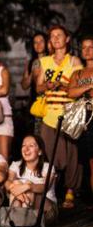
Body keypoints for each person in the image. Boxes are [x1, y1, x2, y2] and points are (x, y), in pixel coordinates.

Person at [33, 24, 82, 210]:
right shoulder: (44, 61)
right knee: (47, 154)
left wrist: (64, 85)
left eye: (59, 35)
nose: (55, 39)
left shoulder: (74, 61)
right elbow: (38, 87)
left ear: (67, 38)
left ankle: (70, 191)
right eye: (52, 36)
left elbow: (80, 87)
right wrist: (46, 86)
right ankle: (50, 190)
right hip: (49, 115)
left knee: (71, 154)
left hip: (68, 113)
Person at [4, 135, 57, 227]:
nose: (26, 149)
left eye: (31, 146)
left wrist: (28, 186)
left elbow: (44, 187)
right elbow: (8, 182)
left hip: (46, 211)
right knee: (15, 183)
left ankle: (20, 224)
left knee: (28, 188)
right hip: (24, 203)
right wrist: (17, 191)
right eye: (24, 145)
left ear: (40, 152)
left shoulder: (48, 167)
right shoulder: (16, 165)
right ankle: (19, 224)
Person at [67, 34, 93, 197]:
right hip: (86, 119)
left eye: (91, 47)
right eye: (84, 47)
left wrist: (81, 89)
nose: (87, 50)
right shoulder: (77, 73)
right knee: (90, 162)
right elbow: (71, 92)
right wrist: (88, 86)